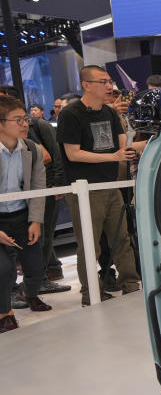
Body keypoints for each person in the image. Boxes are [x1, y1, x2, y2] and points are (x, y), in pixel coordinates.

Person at [56, 65, 142, 306]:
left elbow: (121, 144)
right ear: (86, 85)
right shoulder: (71, 114)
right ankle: (90, 291)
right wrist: (113, 157)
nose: (109, 86)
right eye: (102, 81)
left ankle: (130, 284)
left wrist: (129, 149)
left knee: (122, 238)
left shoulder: (110, 113)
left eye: (109, 81)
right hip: (84, 189)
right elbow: (73, 154)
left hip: (110, 185)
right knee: (89, 244)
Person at [0, 96, 52, 332]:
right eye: (18, 120)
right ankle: (5, 312)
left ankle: (30, 294)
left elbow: (39, 186)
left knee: (35, 265)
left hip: (22, 214)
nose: (25, 124)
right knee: (4, 269)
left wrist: (36, 220)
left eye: (25, 119)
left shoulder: (31, 148)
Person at [26, 102, 70, 293]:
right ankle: (45, 274)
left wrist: (59, 182)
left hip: (47, 185)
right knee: (36, 235)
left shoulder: (38, 125)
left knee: (44, 233)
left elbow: (53, 154)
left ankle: (43, 276)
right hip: (28, 189)